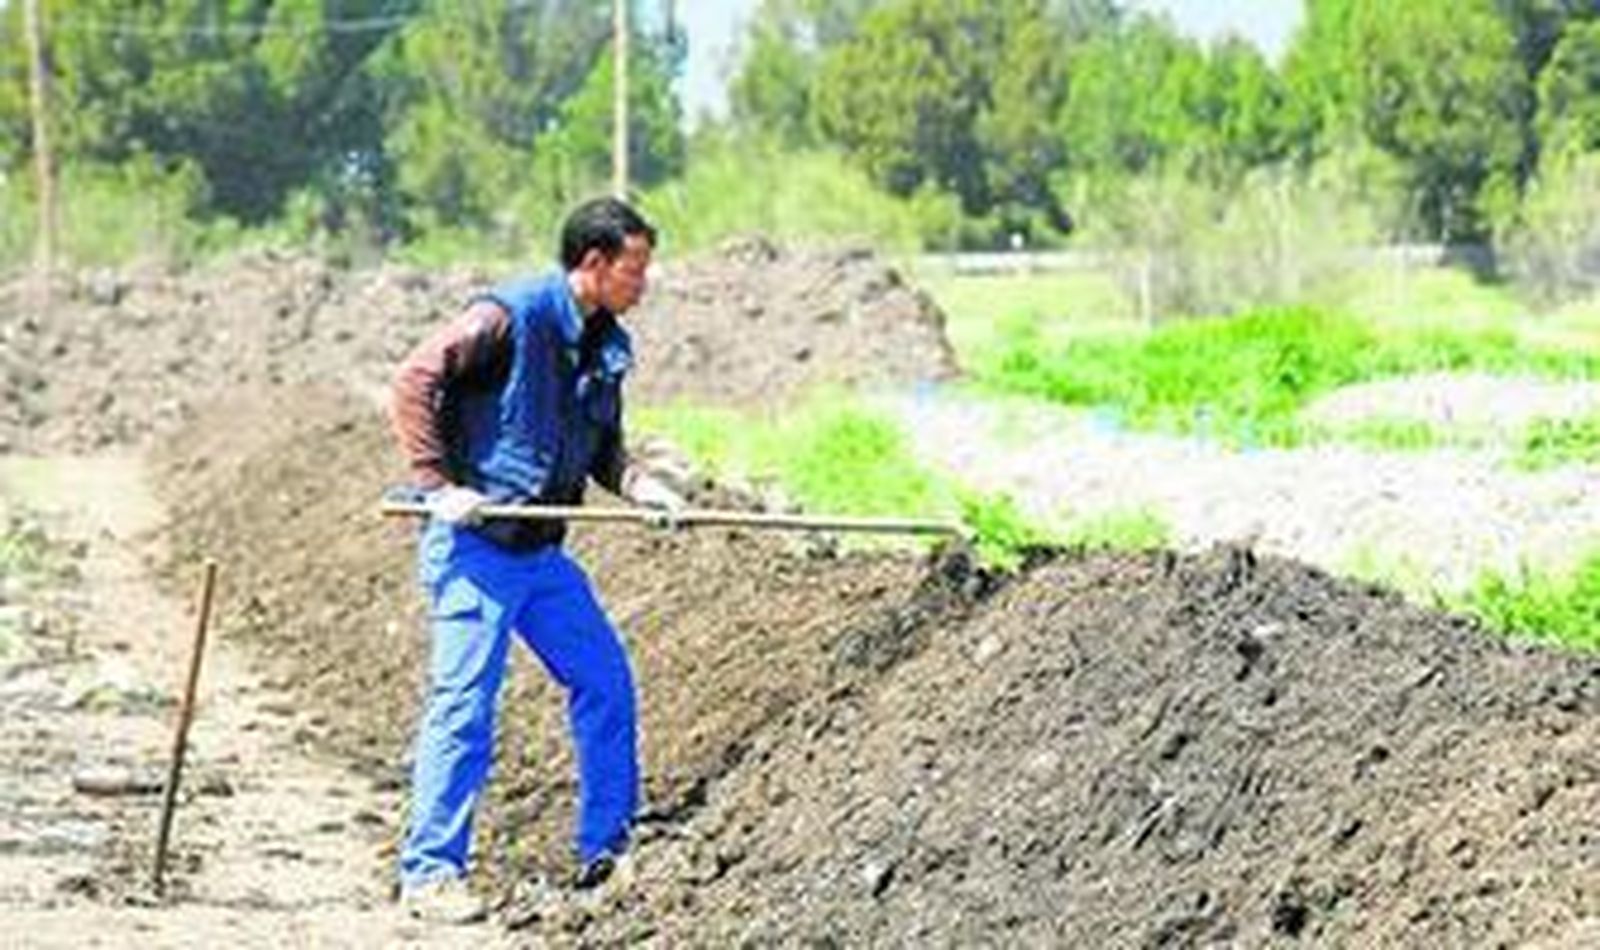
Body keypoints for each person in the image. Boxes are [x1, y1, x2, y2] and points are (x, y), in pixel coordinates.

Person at [387, 197, 685, 924]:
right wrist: (439, 487)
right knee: (464, 705)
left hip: (541, 556)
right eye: (635, 269)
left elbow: (602, 450)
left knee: (605, 681)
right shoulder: (507, 317)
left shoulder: (606, 345)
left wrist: (641, 486)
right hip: (477, 548)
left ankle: (607, 848)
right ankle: (430, 874)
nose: (643, 285)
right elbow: (414, 380)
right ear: (594, 263)